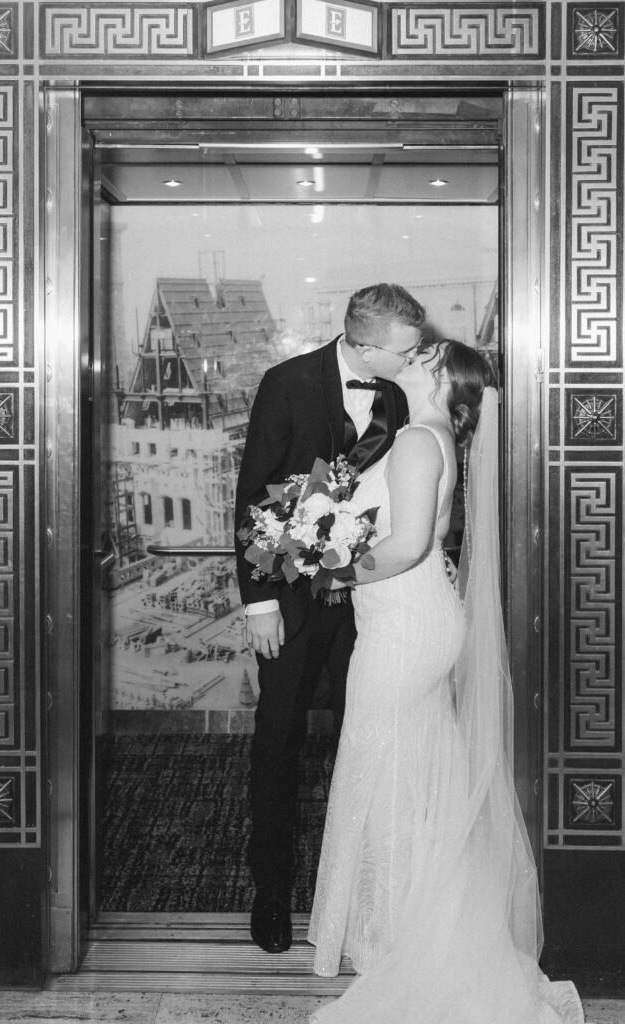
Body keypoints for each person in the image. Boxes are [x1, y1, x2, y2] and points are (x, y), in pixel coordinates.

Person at [307, 338, 584, 1024]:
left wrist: (331, 570)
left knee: (380, 771)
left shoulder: (412, 439)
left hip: (403, 626)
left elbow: (404, 546)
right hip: (415, 618)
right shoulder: (430, 437)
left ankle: (402, 944)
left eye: (423, 351)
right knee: (415, 775)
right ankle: (409, 930)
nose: (411, 351)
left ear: (434, 375)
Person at [235, 283, 424, 954]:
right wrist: (258, 599)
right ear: (364, 343)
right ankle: (271, 892)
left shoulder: (401, 395)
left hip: (375, 601)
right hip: (290, 599)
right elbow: (256, 488)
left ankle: (357, 896)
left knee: (365, 742)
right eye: (404, 349)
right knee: (279, 741)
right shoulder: (286, 383)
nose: (414, 358)